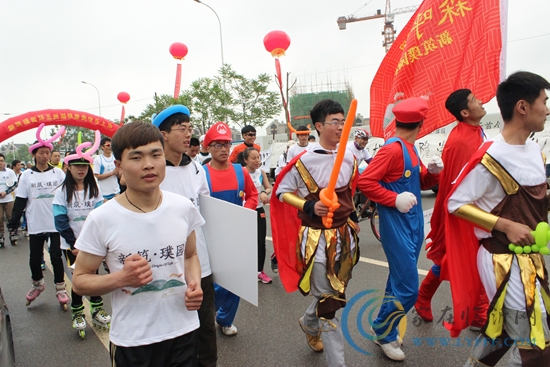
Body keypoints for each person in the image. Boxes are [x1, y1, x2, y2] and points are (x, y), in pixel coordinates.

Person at [72, 121, 204, 367]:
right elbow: (80, 280)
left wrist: (194, 283)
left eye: (156, 155)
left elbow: (190, 256)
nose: (148, 164)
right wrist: (120, 279)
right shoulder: (102, 218)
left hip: (184, 331)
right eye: (137, 157)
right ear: (119, 166)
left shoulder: (182, 208)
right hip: (133, 341)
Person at [446, 71, 550, 366]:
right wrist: (505, 225)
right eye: (544, 101)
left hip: (533, 259)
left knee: (505, 331)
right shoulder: (491, 156)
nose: (547, 108)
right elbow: (455, 203)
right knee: (536, 341)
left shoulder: (533, 150)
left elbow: (535, 202)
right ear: (522, 107)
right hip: (502, 259)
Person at [272, 99, 360, 367]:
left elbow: (352, 192)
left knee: (333, 293)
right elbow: (281, 192)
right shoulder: (303, 161)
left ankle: (309, 322)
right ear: (318, 126)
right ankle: (338, 362)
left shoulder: (350, 156)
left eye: (343, 121)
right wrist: (309, 205)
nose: (340, 127)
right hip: (316, 240)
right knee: (330, 305)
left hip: (346, 237)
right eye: (335, 122)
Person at [358, 97, 442, 361]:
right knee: (407, 289)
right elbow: (365, 181)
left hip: (413, 222)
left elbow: (417, 183)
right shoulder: (393, 149)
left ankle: (387, 326)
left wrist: (433, 173)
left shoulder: (409, 147)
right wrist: (393, 199)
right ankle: (383, 330)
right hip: (396, 225)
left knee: (397, 282)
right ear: (422, 122)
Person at [415, 89, 489, 329]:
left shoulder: (475, 131)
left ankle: (425, 297)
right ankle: (479, 315)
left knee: (459, 259)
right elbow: (455, 187)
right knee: (468, 259)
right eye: (475, 100)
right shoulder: (460, 142)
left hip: (478, 209)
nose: (481, 101)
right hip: (464, 212)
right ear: (465, 112)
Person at [154, 105, 218, 367]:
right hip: (164, 267)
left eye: (190, 129)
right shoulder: (154, 172)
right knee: (173, 333)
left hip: (200, 263)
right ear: (163, 134)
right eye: (182, 129)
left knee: (205, 328)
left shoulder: (196, 169)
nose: (188, 134)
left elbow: (206, 210)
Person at [52, 135, 111, 338]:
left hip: (92, 244)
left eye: (84, 167)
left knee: (94, 276)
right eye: (77, 166)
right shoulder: (61, 191)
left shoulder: (94, 187)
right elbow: (60, 220)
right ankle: (78, 313)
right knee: (78, 279)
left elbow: (99, 215)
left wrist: (92, 242)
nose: (81, 170)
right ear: (69, 168)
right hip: (71, 245)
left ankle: (97, 309)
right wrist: (74, 244)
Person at [203, 122, 258, 336]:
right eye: (218, 145)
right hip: (212, 237)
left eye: (227, 144)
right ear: (208, 148)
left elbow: (253, 195)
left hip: (237, 234)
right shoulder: (202, 173)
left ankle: (225, 319)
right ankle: (208, 317)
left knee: (236, 281)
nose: (224, 149)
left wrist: (247, 210)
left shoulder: (240, 171)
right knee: (216, 282)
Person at [8, 124, 68, 309]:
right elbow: (20, 200)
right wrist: (15, 221)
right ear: (34, 154)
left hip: (55, 223)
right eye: (41, 152)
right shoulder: (27, 175)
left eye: (47, 152)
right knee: (35, 258)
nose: (44, 155)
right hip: (35, 223)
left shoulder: (58, 173)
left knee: (57, 257)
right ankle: (38, 284)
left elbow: (66, 197)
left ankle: (60, 288)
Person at [243, 147, 273, 284]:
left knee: (261, 243)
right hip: (244, 211)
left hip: (259, 210)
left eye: (258, 157)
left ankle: (259, 271)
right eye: (253, 158)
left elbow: (268, 187)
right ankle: (244, 271)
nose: (257, 160)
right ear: (245, 160)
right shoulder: (241, 172)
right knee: (245, 242)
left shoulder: (261, 172)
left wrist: (264, 193)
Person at [0, 154, 17, 247]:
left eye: (1, 160)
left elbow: (15, 184)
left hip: (9, 199)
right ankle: (1, 236)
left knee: (11, 217)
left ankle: (13, 234)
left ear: (4, 162)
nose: (0, 163)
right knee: (0, 219)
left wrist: (6, 192)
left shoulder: (9, 172)